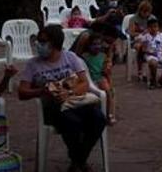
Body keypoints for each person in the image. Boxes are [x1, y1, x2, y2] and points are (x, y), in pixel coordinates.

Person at [18, 24, 107, 172]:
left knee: (99, 119)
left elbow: (85, 83)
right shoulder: (33, 64)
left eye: (43, 42)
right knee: (72, 123)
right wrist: (41, 91)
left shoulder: (70, 57)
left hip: (76, 102)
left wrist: (69, 93)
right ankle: (80, 162)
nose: (39, 45)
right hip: (54, 107)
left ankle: (78, 160)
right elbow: (22, 92)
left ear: (55, 44)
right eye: (39, 41)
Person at [80, 32, 116, 125]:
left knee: (108, 91)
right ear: (89, 45)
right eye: (94, 44)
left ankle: (109, 114)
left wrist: (109, 79)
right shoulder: (84, 56)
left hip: (100, 78)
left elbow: (107, 73)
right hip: (89, 79)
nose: (97, 46)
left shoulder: (103, 56)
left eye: (99, 44)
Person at [138, 17, 162, 89]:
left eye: (155, 27)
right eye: (151, 27)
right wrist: (150, 52)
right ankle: (153, 80)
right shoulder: (146, 37)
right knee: (153, 63)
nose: (154, 29)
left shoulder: (161, 35)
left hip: (160, 54)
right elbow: (143, 49)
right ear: (148, 28)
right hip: (150, 55)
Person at [128, 0, 154, 79]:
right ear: (140, 10)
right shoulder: (133, 19)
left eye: (148, 12)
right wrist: (142, 34)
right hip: (136, 40)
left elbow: (156, 31)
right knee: (141, 47)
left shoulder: (152, 18)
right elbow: (131, 33)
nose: (146, 14)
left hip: (150, 40)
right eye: (144, 12)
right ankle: (140, 70)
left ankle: (152, 69)